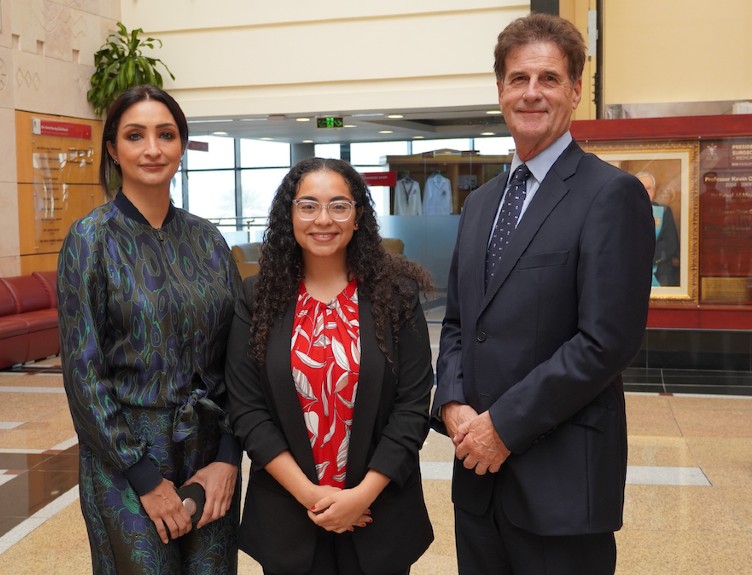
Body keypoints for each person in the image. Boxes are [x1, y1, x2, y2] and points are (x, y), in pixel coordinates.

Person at [431, 13, 655, 575]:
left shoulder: (612, 195)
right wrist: (452, 402)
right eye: (518, 78)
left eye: (549, 79)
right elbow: (459, 322)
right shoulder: (481, 203)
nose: (532, 93)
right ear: (501, 89)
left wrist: (501, 426)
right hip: (478, 483)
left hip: (562, 485)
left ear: (575, 91)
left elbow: (607, 341)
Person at [57, 85, 242, 574]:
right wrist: (144, 476)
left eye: (166, 134)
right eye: (135, 136)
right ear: (114, 151)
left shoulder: (208, 239)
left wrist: (227, 457)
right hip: (125, 456)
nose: (153, 148)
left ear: (182, 144)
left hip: (208, 451)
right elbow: (83, 373)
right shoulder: (90, 240)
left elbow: (239, 358)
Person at [225, 157, 434, 575]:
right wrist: (312, 496)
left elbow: (412, 407)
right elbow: (247, 411)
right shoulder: (257, 297)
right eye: (308, 206)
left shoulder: (396, 296)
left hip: (379, 515)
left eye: (339, 205)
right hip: (289, 516)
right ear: (290, 215)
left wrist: (360, 496)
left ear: (358, 216)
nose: (324, 219)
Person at [636, 171, 680, 286]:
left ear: (654, 191)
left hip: (661, 274)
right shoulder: (624, 212)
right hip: (633, 271)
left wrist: (647, 258)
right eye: (641, 187)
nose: (645, 191)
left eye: (649, 188)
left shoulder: (664, 212)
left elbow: (671, 244)